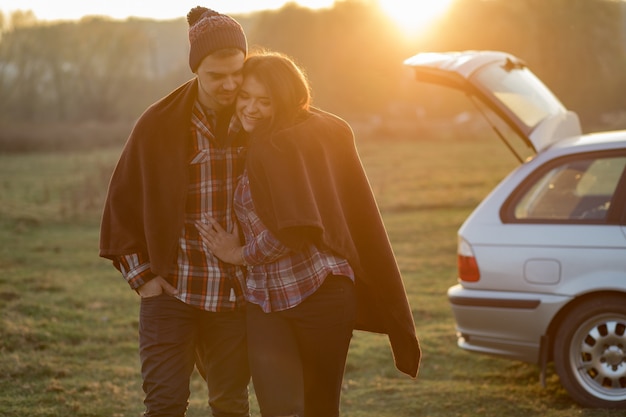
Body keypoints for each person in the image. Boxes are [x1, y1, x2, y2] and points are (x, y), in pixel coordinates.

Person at [196, 51, 421, 417]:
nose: (250, 108)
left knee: (320, 408)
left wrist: (237, 253)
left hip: (319, 293)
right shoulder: (246, 141)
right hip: (265, 299)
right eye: (245, 97)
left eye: (264, 101)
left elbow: (294, 233)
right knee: (279, 407)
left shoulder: (286, 144)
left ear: (282, 103)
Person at [99, 6, 251, 417]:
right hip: (171, 290)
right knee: (164, 405)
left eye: (237, 72)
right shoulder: (159, 123)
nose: (229, 84)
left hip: (235, 294)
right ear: (195, 71)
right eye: (216, 76)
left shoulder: (258, 117)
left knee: (230, 404)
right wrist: (143, 278)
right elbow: (121, 205)